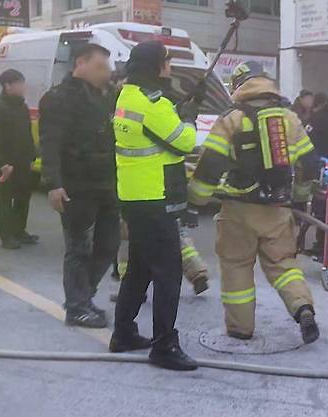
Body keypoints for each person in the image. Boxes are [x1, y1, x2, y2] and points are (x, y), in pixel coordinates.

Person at [188, 61, 320, 344]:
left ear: (238, 85)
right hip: (277, 208)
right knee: (283, 264)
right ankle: (303, 308)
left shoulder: (232, 119)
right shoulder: (289, 117)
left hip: (238, 209)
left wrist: (194, 203)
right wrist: (298, 201)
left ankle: (240, 328)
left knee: (237, 267)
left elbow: (210, 166)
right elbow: (310, 163)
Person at [110, 41, 198, 371]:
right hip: (155, 197)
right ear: (156, 65)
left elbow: (155, 137)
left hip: (133, 195)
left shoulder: (127, 95)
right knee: (168, 273)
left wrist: (177, 110)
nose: (170, 66)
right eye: (168, 60)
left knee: (140, 267)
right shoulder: (153, 103)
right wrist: (188, 118)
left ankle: (123, 333)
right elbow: (185, 142)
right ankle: (164, 345)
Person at [40, 44, 119, 329]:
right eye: (101, 66)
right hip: (76, 187)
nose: (107, 73)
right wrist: (53, 184)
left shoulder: (106, 97)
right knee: (78, 248)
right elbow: (50, 143)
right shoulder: (59, 98)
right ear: (80, 63)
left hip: (107, 185)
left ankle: (84, 296)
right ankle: (76, 307)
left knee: (109, 245)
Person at [0, 69, 39, 250]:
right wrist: (1, 164)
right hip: (6, 164)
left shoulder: (22, 107)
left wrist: (32, 156)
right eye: (20, 83)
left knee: (23, 197)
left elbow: (27, 134)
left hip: (23, 162)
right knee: (6, 199)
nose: (23, 87)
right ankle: (7, 236)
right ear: (8, 86)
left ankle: (19, 231)